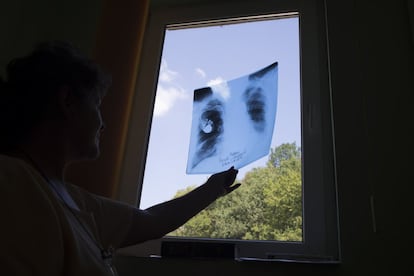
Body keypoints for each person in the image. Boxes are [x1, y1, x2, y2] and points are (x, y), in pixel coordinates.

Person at [0, 41, 240, 276]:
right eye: (97, 104)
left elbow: (152, 221)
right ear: (67, 102)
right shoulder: (12, 182)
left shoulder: (74, 199)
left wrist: (212, 189)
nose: (103, 123)